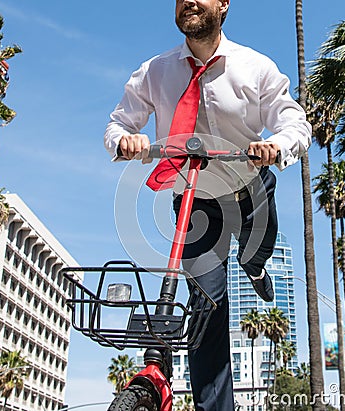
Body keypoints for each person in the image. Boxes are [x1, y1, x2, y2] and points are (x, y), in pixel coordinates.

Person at [104, 0, 311, 410]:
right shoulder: (154, 72)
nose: (189, 1)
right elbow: (119, 123)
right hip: (195, 203)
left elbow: (294, 122)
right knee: (207, 309)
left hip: (250, 191)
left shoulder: (255, 67)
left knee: (256, 251)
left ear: (224, 5)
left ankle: (255, 269)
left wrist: (275, 145)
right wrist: (125, 140)